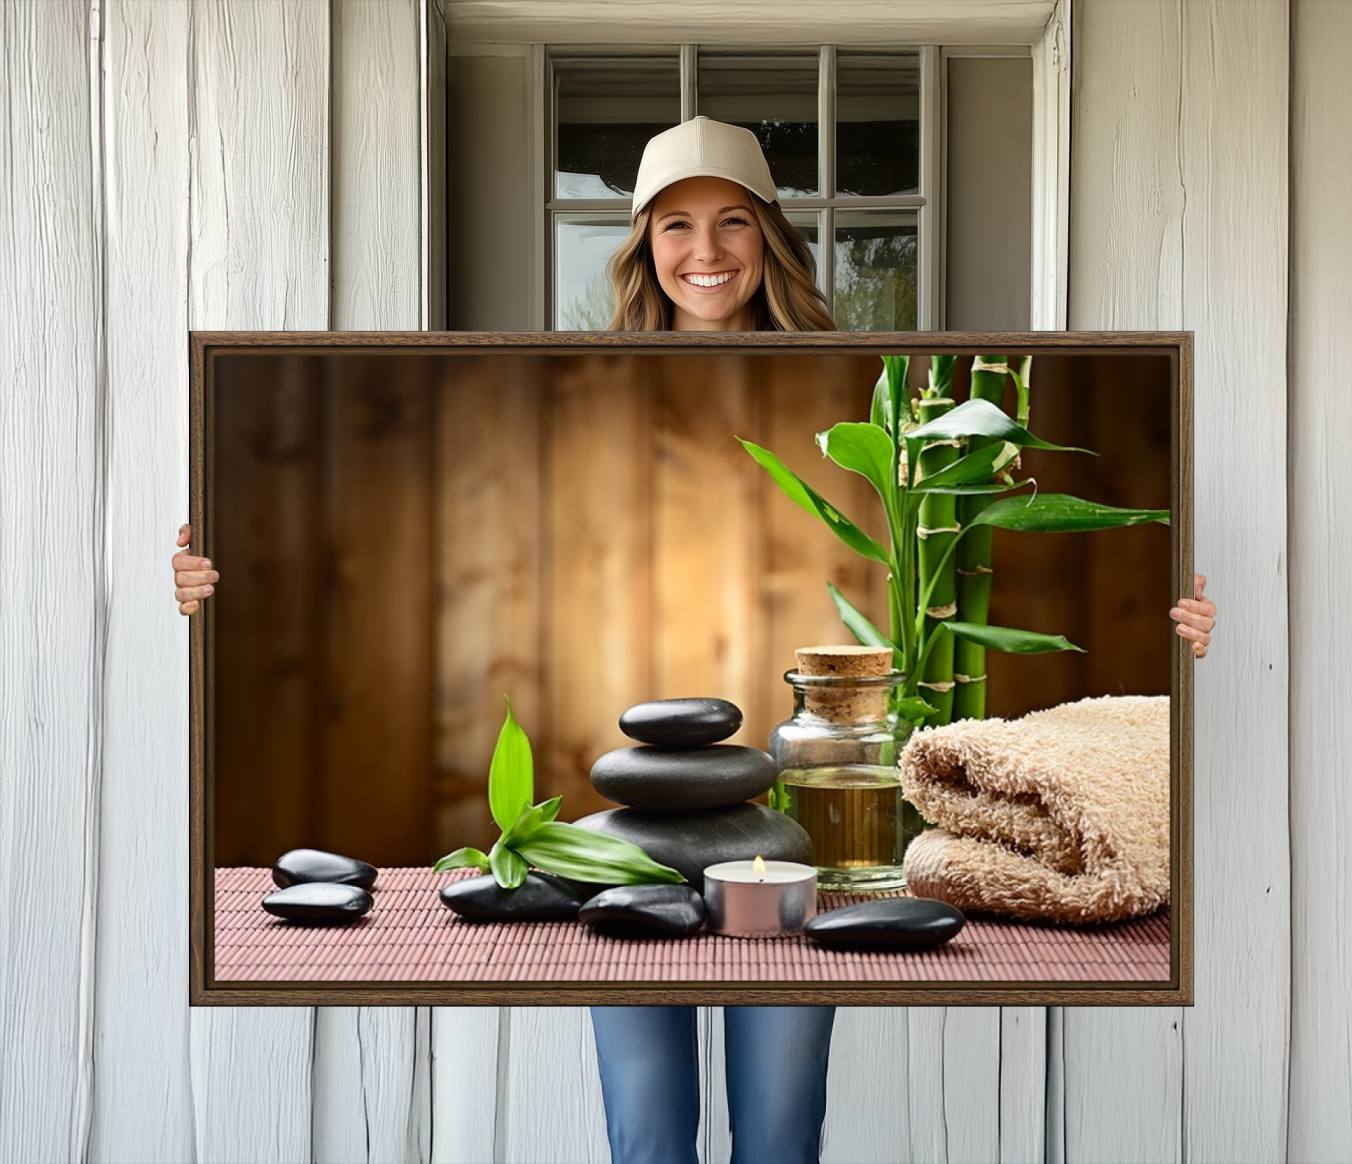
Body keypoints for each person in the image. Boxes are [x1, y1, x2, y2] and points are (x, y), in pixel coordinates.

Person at [169, 116, 1218, 1164]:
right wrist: (207, 580)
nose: (704, 252)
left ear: (770, 236)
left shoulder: (887, 398)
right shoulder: (560, 381)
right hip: (617, 834)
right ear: (640, 244)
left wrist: (1182, 627)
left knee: (778, 1138)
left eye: (731, 223)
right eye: (675, 225)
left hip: (809, 827)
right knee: (645, 1141)